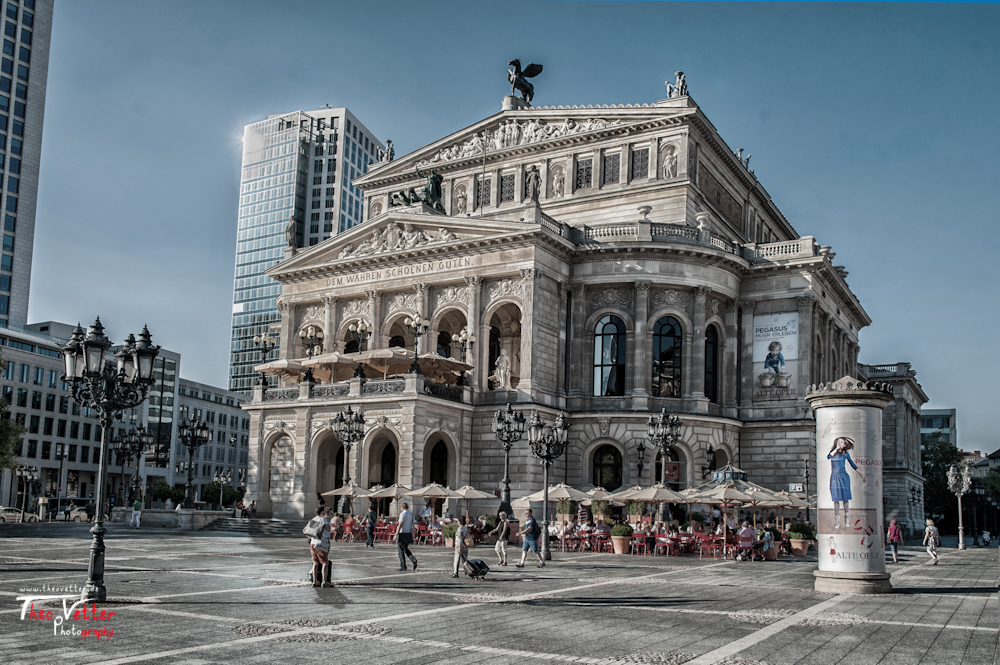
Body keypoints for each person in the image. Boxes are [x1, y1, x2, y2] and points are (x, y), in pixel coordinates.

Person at [827, 436, 862, 529]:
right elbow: (828, 457)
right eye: (839, 441)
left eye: (842, 442)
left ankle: (847, 516)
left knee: (845, 497)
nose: (840, 443)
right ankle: (837, 518)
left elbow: (852, 464)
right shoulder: (833, 453)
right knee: (836, 498)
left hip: (843, 476)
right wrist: (835, 450)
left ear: (845, 444)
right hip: (834, 476)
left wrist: (861, 473)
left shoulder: (845, 454)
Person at [304, 507, 332, 587]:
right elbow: (328, 529)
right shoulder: (322, 519)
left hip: (313, 543)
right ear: (322, 512)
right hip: (320, 543)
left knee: (315, 562)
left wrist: (312, 538)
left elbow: (305, 530)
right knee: (324, 563)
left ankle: (315, 581)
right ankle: (324, 581)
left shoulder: (313, 519)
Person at [395, 501, 418, 571]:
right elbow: (413, 526)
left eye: (400, 507)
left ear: (402, 507)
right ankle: (413, 559)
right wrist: (413, 534)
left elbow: (400, 524)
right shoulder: (411, 514)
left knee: (401, 550)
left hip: (403, 533)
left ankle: (403, 566)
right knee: (405, 549)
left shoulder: (403, 514)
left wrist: (396, 534)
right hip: (409, 533)